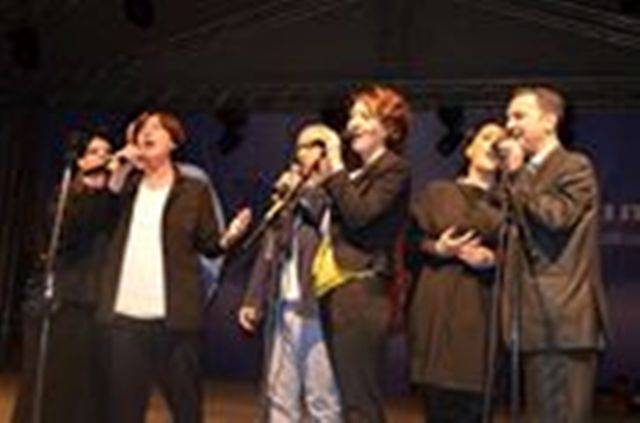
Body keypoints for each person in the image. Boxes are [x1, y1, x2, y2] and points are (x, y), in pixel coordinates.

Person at [97, 111, 251, 423]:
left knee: (185, 407)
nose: (147, 133)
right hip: (125, 316)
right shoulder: (126, 188)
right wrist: (120, 169)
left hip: (175, 318)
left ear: (173, 142)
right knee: (122, 409)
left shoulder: (193, 190)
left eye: (156, 128)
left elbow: (209, 244)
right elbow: (100, 216)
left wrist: (230, 236)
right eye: (142, 129)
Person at [499, 86, 610, 422]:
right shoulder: (523, 176)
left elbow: (556, 219)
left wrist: (518, 174)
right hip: (533, 319)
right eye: (508, 117)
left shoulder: (574, 166)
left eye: (519, 116)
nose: (509, 125)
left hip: (561, 319)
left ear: (549, 121)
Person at [313, 85, 412, 422]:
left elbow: (360, 216)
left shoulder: (394, 169)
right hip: (338, 288)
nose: (352, 123)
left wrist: (336, 168)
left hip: (362, 290)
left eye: (364, 116)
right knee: (350, 396)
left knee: (361, 400)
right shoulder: (355, 176)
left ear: (389, 128)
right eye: (352, 116)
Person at [238, 124, 341, 422]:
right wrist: (253, 299)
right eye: (299, 147)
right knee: (280, 398)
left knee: (323, 400)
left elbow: (320, 216)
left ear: (325, 153)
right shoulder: (290, 199)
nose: (301, 153)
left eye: (310, 146)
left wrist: (300, 192)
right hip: (283, 308)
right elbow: (269, 250)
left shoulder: (338, 192)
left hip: (319, 311)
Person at [12, 131, 116, 423]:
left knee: (86, 383)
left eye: (107, 151)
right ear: (80, 161)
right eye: (95, 151)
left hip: (96, 300)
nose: (103, 157)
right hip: (63, 298)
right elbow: (65, 236)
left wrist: (108, 188)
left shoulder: (114, 199)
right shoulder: (65, 197)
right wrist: (93, 189)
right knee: (51, 378)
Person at [405, 121, 504, 422]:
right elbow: (409, 244)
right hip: (438, 312)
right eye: (487, 138)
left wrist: (494, 259)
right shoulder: (437, 193)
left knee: (477, 407)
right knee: (440, 407)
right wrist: (438, 248)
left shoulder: (510, 203)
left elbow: (527, 254)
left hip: (483, 314)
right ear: (469, 149)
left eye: (501, 141)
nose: (494, 145)